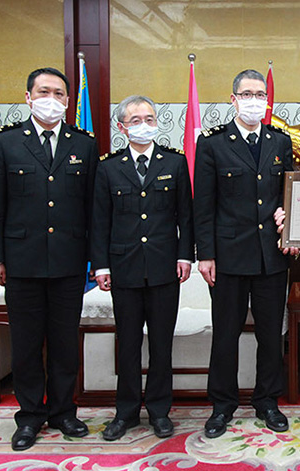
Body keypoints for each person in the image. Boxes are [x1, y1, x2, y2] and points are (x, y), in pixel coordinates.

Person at [0, 67, 98, 451]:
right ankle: (30, 416)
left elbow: (93, 209)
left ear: (68, 100)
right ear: (28, 97)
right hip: (21, 262)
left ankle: (64, 411)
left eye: (59, 93)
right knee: (27, 344)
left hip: (69, 261)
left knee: (64, 344)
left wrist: (95, 260)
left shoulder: (83, 144)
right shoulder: (5, 142)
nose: (52, 99)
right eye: (44, 92)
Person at [194, 69, 295, 439]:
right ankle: (222, 404)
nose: (254, 100)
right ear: (233, 99)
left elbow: (289, 191)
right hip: (228, 257)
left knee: (270, 334)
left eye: (260, 94)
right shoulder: (212, 143)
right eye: (247, 94)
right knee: (225, 334)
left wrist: (290, 217)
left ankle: (267, 401)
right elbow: (203, 205)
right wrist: (205, 255)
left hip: (271, 256)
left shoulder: (280, 141)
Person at [90, 95, 194, 441]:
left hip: (165, 268)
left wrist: (185, 256)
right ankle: (126, 412)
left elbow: (186, 216)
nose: (144, 125)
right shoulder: (108, 167)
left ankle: (160, 411)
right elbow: (99, 221)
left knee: (162, 344)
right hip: (124, 269)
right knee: (128, 344)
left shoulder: (175, 162)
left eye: (149, 118)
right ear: (122, 127)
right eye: (136, 120)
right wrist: (101, 266)